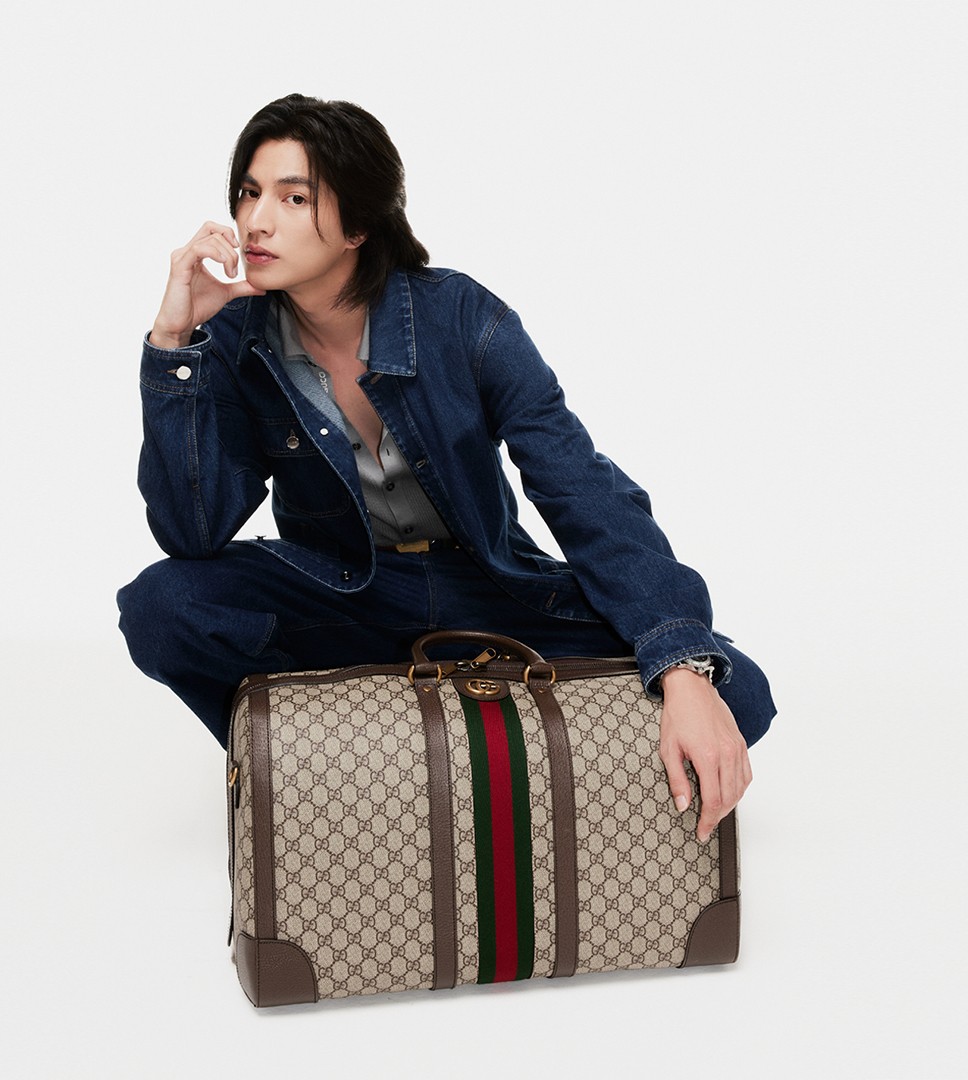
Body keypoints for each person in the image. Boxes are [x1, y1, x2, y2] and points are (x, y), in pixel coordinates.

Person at [117, 93, 775, 844]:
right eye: (248, 192)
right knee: (163, 607)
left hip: (484, 590)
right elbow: (192, 533)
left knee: (735, 690)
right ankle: (313, 771)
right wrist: (174, 345)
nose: (256, 221)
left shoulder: (460, 316)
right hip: (347, 600)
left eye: (294, 198)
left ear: (359, 225)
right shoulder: (236, 340)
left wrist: (681, 664)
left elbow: (578, 484)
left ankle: (439, 760)